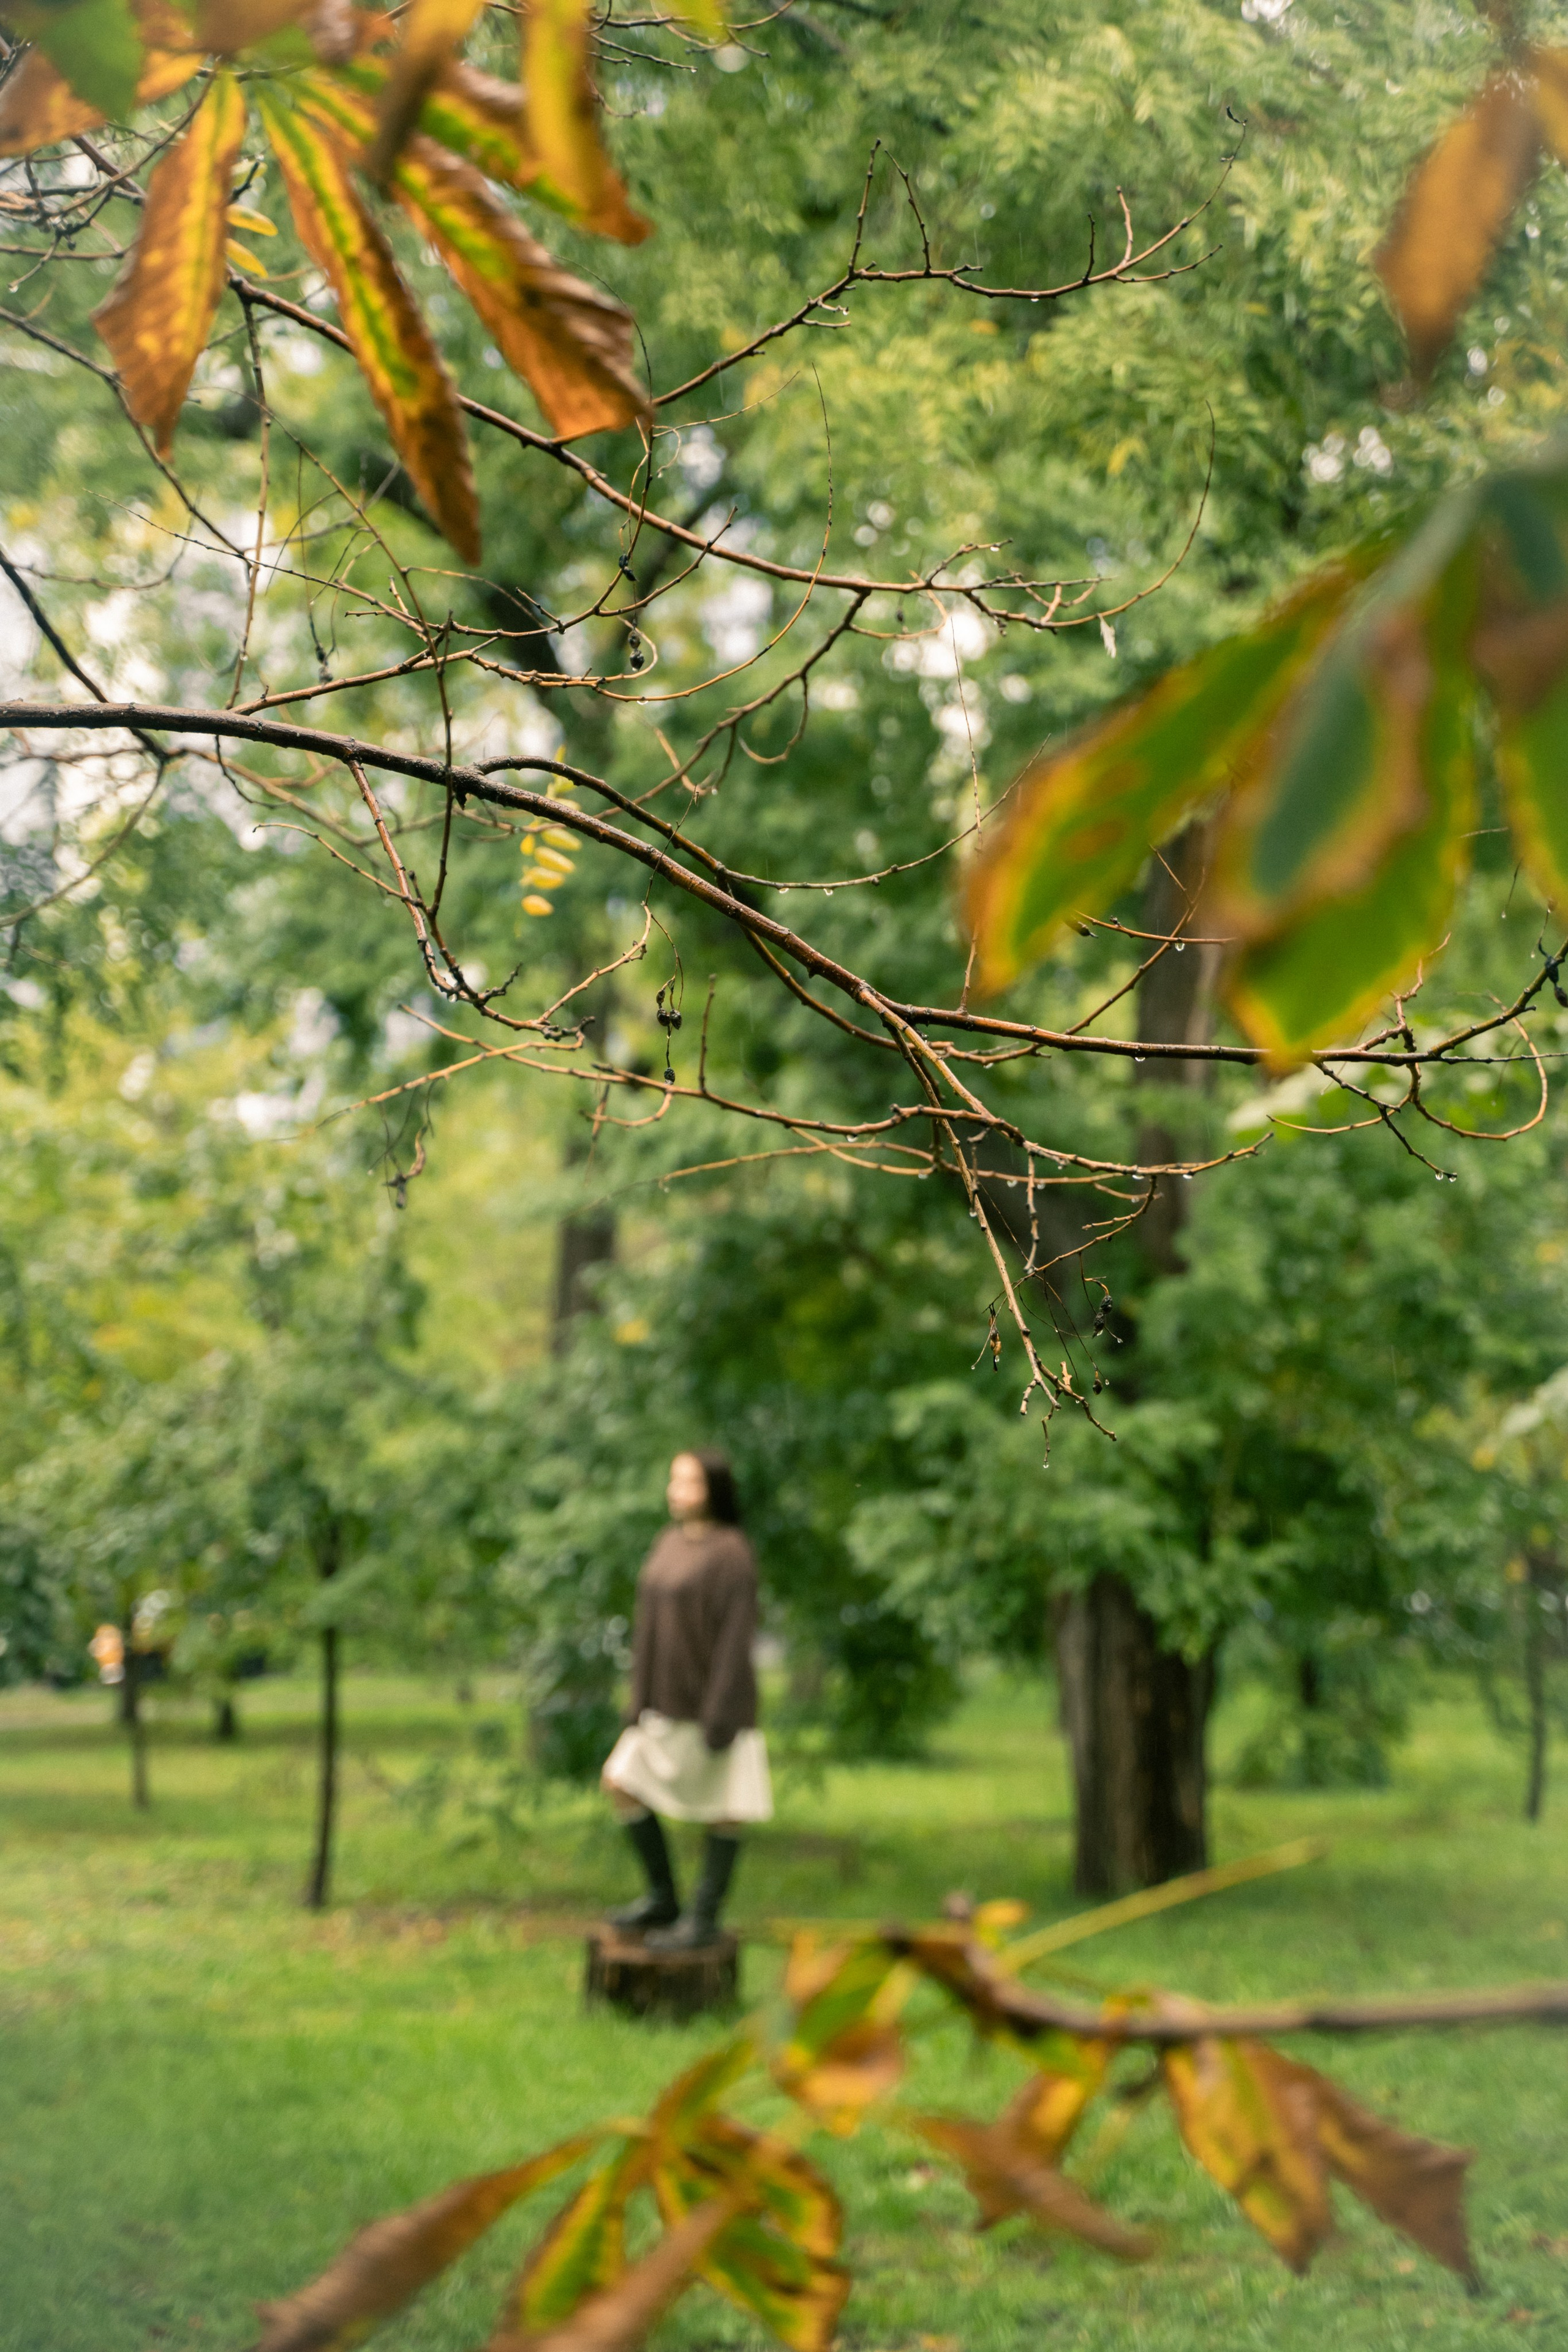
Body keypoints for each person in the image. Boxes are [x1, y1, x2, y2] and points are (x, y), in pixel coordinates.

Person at [600, 1447, 772, 1948]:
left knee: (727, 1806)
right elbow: (648, 1628)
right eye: (675, 1481)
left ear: (714, 1489)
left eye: (689, 1482)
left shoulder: (733, 1553)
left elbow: (736, 1640)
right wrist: (638, 1699)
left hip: (717, 1708)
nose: (677, 1492)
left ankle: (703, 1918)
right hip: (664, 1704)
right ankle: (663, 1899)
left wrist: (720, 1713)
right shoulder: (667, 1544)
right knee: (620, 1781)